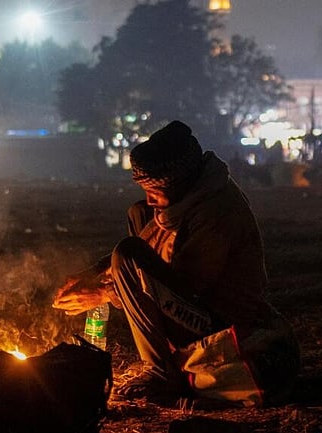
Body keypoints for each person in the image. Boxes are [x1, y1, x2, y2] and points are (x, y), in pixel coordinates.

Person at [53, 120, 298, 403]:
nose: (150, 199)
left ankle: (160, 374)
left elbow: (186, 287)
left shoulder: (216, 211)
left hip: (222, 322)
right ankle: (166, 359)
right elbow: (148, 249)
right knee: (139, 216)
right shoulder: (181, 203)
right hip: (192, 307)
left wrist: (105, 293)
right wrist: (94, 273)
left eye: (154, 190)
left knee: (129, 253)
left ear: (180, 182)